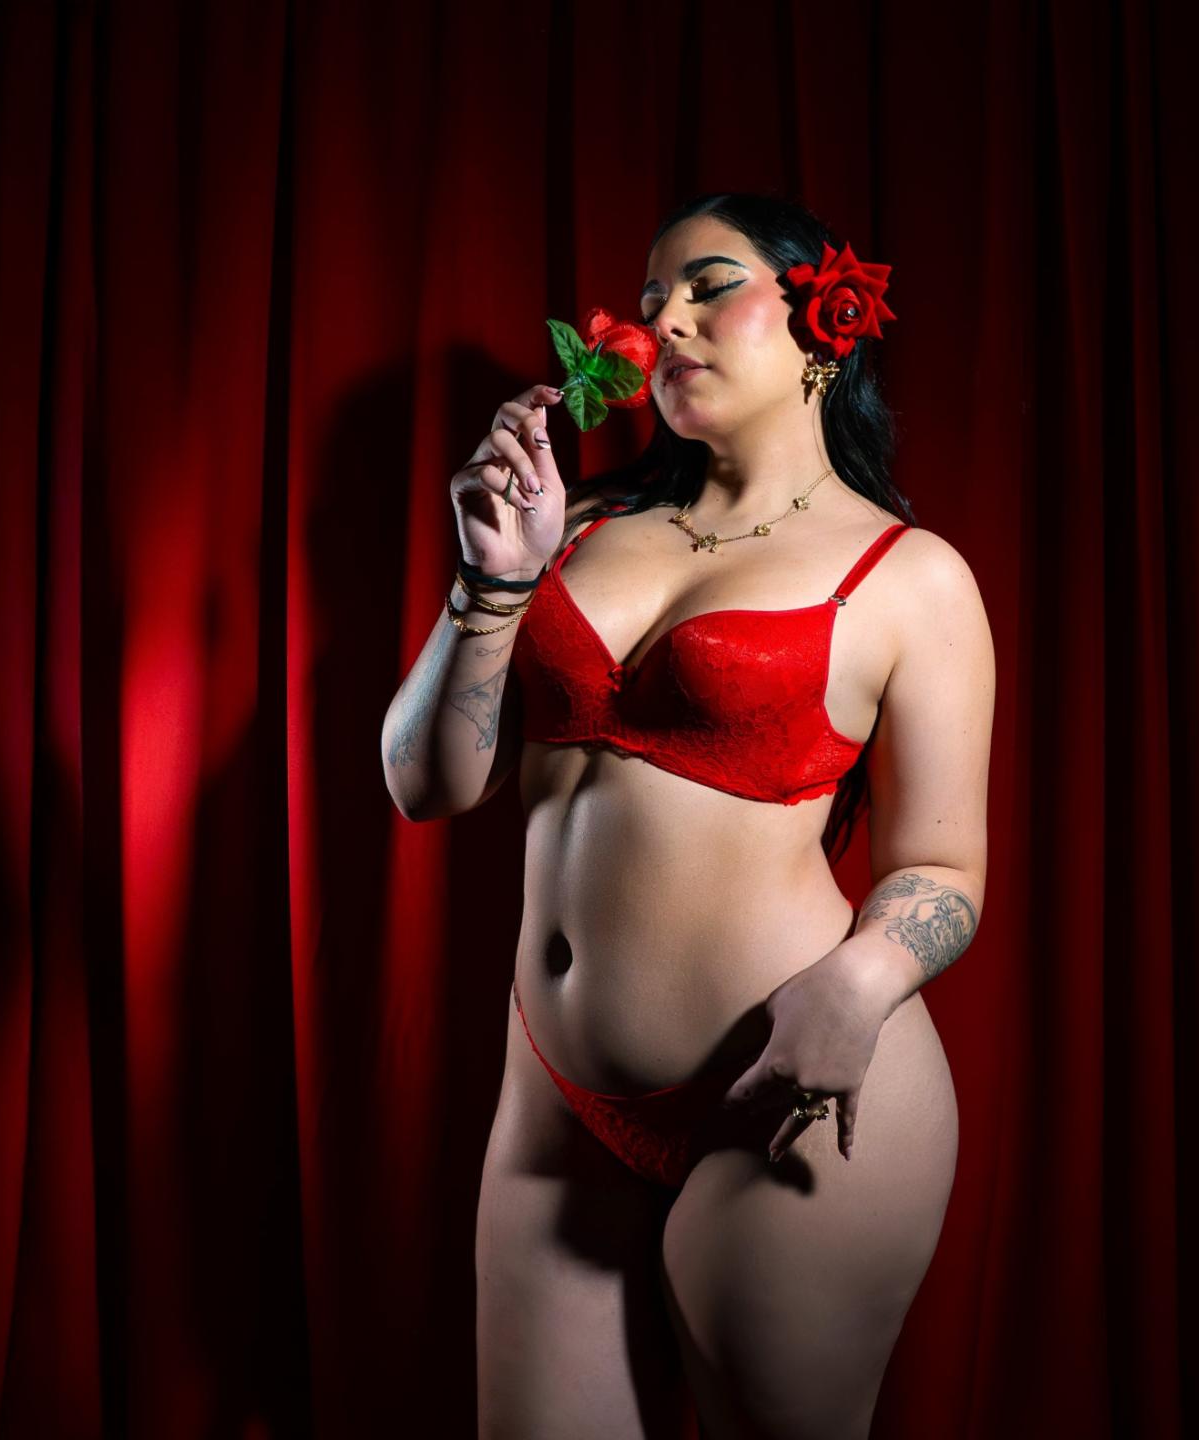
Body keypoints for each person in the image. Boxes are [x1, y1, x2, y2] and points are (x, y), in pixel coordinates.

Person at [380, 191, 994, 1439]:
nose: (664, 323)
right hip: (554, 1102)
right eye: (653, 300)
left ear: (826, 321)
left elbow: (944, 867)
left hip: (792, 1085)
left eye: (710, 288)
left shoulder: (910, 576)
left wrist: (860, 984)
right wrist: (492, 580)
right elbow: (423, 782)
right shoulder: (577, 525)